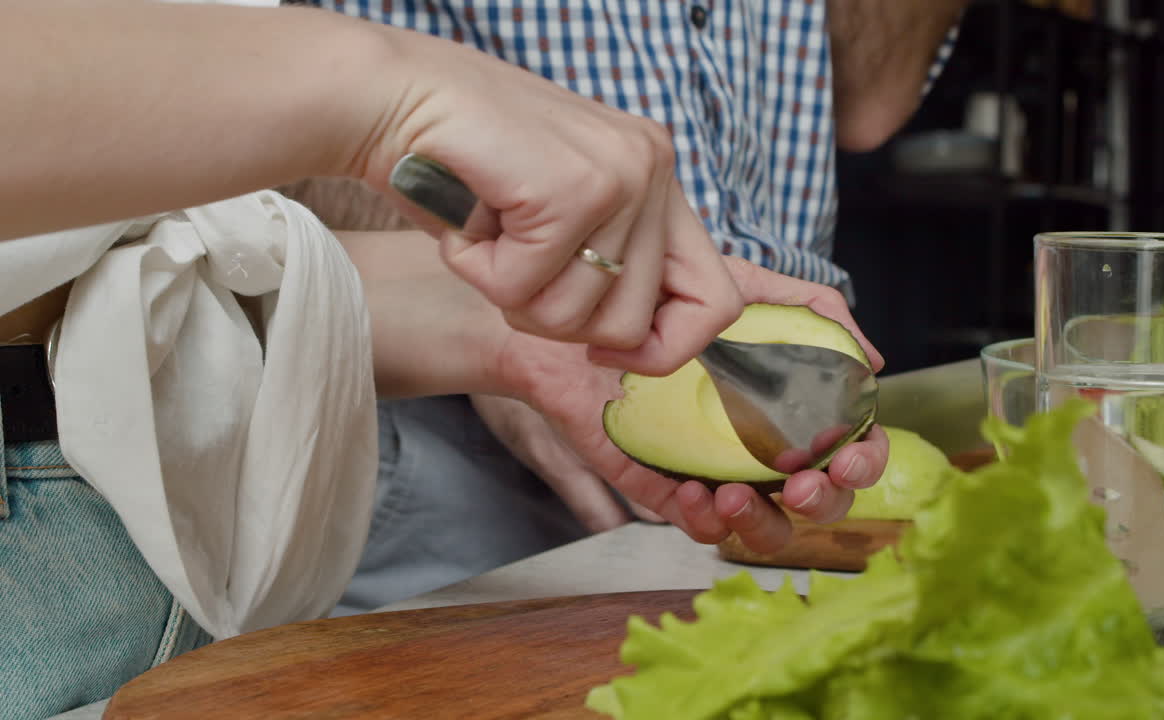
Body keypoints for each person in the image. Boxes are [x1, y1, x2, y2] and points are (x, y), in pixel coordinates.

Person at [0, 1, 887, 716]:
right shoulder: (375, 82)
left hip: (123, 525)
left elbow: (112, 252)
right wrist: (384, 90)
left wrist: (514, 334)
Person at [288, 0, 967, 614]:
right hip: (439, 427)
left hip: (751, 452)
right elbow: (262, 94)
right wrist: (493, 304)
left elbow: (869, 99)